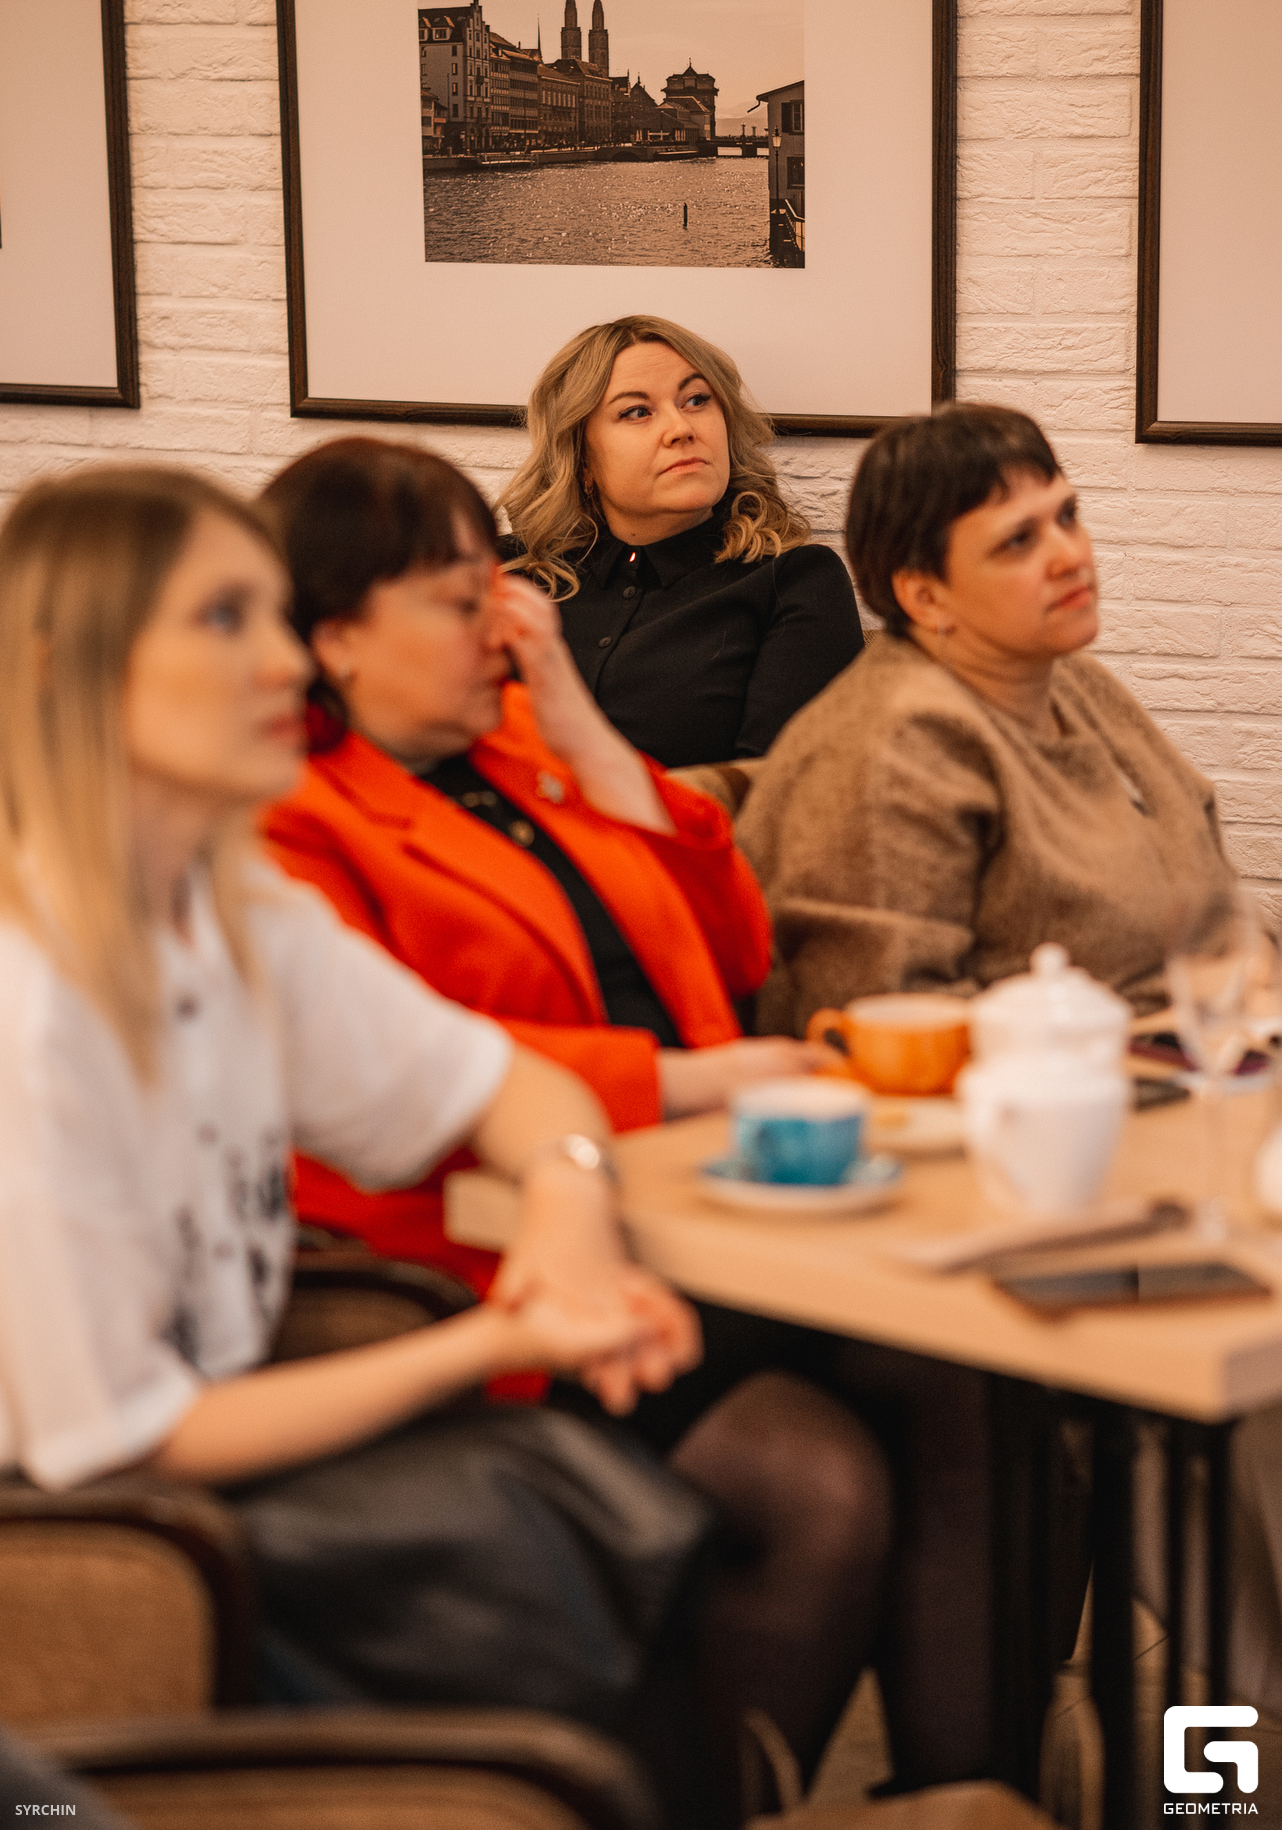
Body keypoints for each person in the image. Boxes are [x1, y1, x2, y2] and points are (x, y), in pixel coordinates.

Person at [0, 464, 892, 1829]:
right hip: (93, 1550)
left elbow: (519, 1090)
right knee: (612, 1551)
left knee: (657, 1531)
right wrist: (500, 1336)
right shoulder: (37, 1013)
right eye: (225, 621)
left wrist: (569, 1224)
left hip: (228, 1448)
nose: (286, 660)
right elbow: (129, 1443)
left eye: (274, 616)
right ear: (71, 670)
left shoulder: (236, 914)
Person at [259, 436, 820, 1292]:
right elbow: (395, 1052)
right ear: (337, 641)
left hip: (696, 1179)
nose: (506, 628)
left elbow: (740, 955)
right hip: (484, 1241)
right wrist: (685, 1083)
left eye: (500, 591)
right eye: (463, 605)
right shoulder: (287, 815)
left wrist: (590, 739)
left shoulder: (521, 740)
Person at [738, 403, 1239, 1033]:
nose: (1070, 556)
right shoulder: (894, 745)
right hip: (1076, 1082)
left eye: (1067, 516)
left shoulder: (1068, 676)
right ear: (924, 595)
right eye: (1018, 541)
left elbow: (1212, 900)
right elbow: (891, 1023)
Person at [499, 313, 863, 768]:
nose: (681, 429)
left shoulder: (794, 581)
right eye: (637, 412)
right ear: (583, 460)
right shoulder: (511, 573)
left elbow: (778, 790)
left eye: (696, 400)